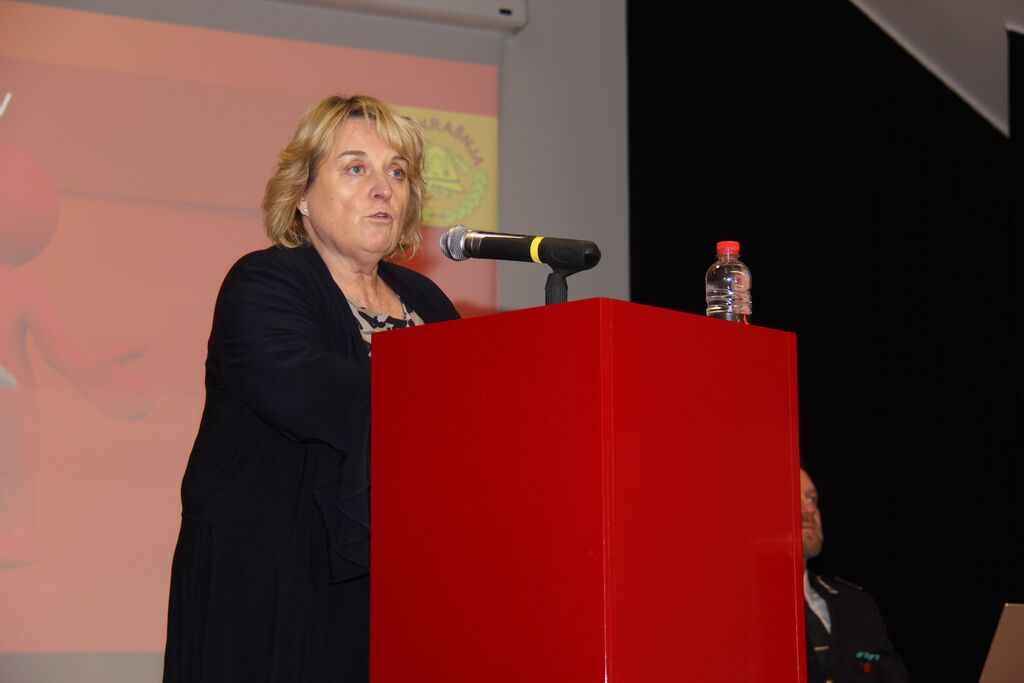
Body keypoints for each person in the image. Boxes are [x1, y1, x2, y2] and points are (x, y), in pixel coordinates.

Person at [163, 95, 460, 682]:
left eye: (397, 172)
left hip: (388, 586)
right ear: (301, 193)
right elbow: (317, 390)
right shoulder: (262, 283)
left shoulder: (426, 300)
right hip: (267, 586)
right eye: (356, 168)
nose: (383, 188)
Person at [800, 468, 911, 683]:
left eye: (812, 499)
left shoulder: (857, 608)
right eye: (795, 498)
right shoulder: (745, 611)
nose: (810, 509)